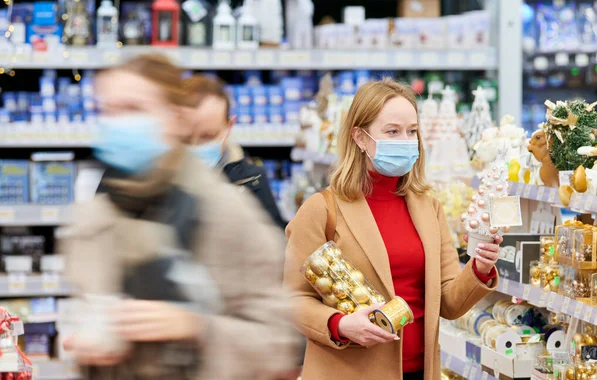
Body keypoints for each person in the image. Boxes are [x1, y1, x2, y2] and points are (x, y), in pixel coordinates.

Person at [60, 54, 299, 379]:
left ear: (174, 118)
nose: (119, 123)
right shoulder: (96, 216)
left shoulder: (226, 211)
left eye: (135, 109)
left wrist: (197, 327)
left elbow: (277, 340)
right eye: (109, 110)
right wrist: (89, 344)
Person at [283, 79, 500, 380]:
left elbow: (447, 302)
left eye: (412, 131)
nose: (406, 140)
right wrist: (339, 324)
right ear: (359, 137)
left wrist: (480, 267)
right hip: (350, 371)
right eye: (392, 131)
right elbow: (293, 301)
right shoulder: (322, 209)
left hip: (420, 371)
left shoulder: (428, 207)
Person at [181, 75, 287, 229]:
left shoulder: (252, 179)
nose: (195, 146)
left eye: (207, 136)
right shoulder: (156, 178)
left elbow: (274, 244)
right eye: (185, 138)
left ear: (229, 127)